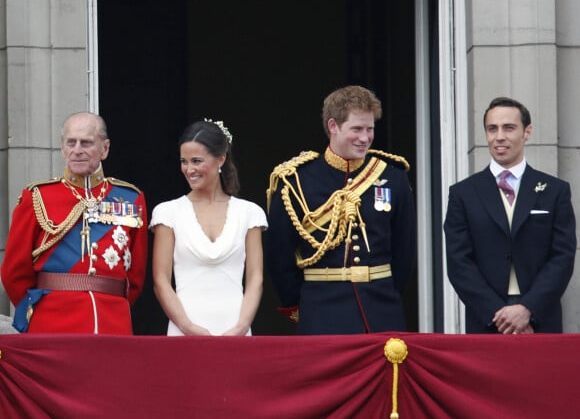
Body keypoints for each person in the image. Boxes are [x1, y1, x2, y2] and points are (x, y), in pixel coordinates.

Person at [266, 85, 416, 334]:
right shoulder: (296, 181)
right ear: (333, 126)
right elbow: (279, 256)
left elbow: (405, 252)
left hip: (380, 312)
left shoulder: (393, 176)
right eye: (356, 129)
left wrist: (387, 292)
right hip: (321, 313)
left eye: (370, 129)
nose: (365, 138)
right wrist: (301, 304)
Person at [1, 112, 148, 334]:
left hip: (112, 320)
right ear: (62, 148)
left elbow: (135, 276)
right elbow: (14, 272)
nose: (77, 150)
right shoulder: (38, 196)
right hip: (51, 321)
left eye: (86, 143)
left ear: (105, 149)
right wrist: (37, 312)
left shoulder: (130, 198)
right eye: (71, 142)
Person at [444, 96, 576, 334]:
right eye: (492, 129)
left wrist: (528, 309)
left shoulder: (555, 190)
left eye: (509, 128)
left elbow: (562, 257)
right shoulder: (463, 194)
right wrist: (499, 315)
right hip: (486, 320)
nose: (499, 137)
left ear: (527, 132)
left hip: (540, 319)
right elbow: (459, 263)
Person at [150, 119, 267, 336]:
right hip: (184, 330)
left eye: (196, 161)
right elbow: (161, 281)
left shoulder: (250, 213)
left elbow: (255, 278)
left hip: (236, 330)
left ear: (220, 159)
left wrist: (241, 328)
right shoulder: (167, 212)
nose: (189, 169)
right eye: (184, 161)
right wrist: (188, 328)